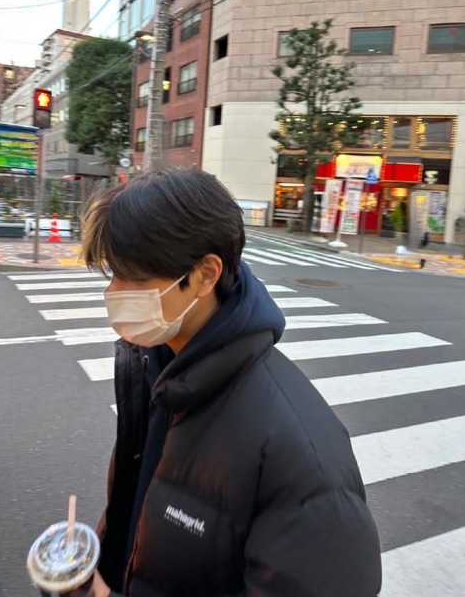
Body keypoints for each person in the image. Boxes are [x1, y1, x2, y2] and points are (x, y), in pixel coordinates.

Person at [81, 167, 381, 597]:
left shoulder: (300, 457)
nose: (115, 291)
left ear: (206, 274)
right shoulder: (158, 373)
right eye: (113, 272)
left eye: (135, 277)